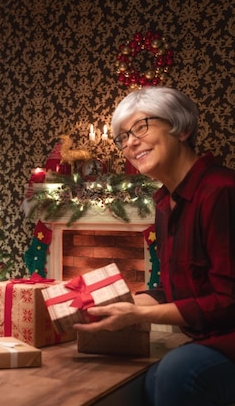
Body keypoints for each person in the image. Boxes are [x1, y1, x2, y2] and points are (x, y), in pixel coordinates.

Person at [74, 87, 235, 406]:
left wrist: (138, 316)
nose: (130, 142)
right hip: (208, 338)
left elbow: (228, 300)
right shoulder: (165, 204)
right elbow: (180, 289)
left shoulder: (221, 192)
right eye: (122, 137)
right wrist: (117, 304)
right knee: (145, 383)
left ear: (182, 127)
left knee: (177, 373)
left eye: (141, 127)